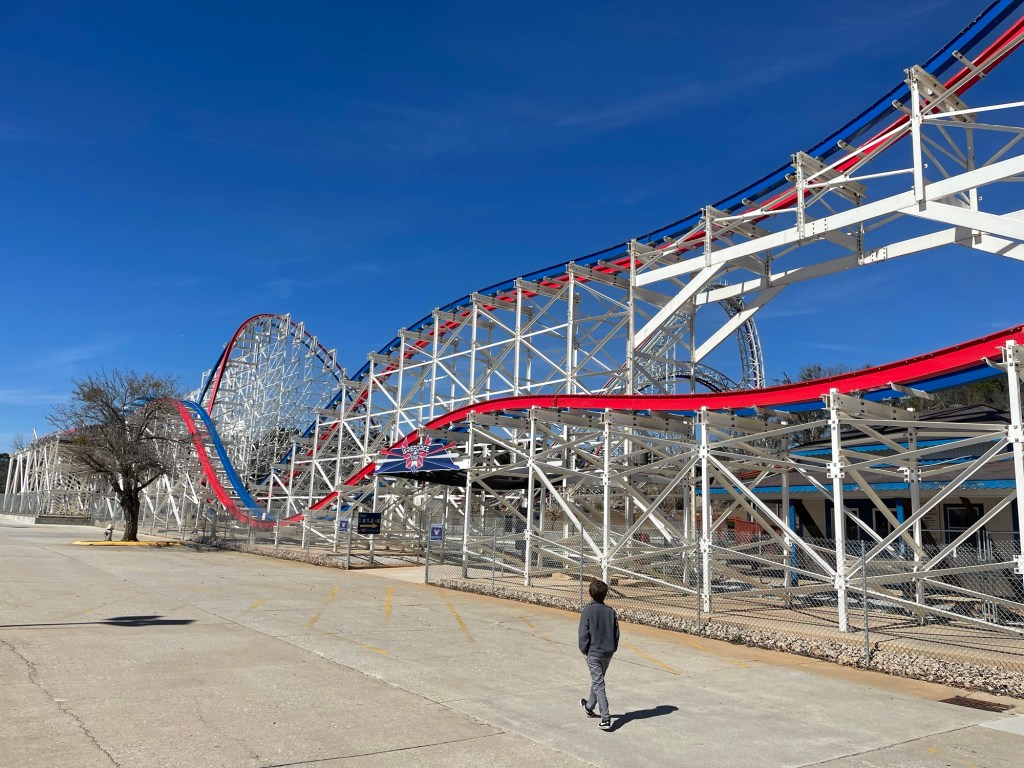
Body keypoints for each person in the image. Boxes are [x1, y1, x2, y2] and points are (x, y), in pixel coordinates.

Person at [578, 578, 619, 731]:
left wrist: (584, 649)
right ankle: (589, 706)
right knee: (598, 680)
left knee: (599, 683)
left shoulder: (588, 610)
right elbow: (616, 633)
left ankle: (606, 717)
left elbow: (583, 634)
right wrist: (612, 648)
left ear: (589, 594)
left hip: (593, 652)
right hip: (607, 653)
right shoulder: (611, 612)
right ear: (605, 595)